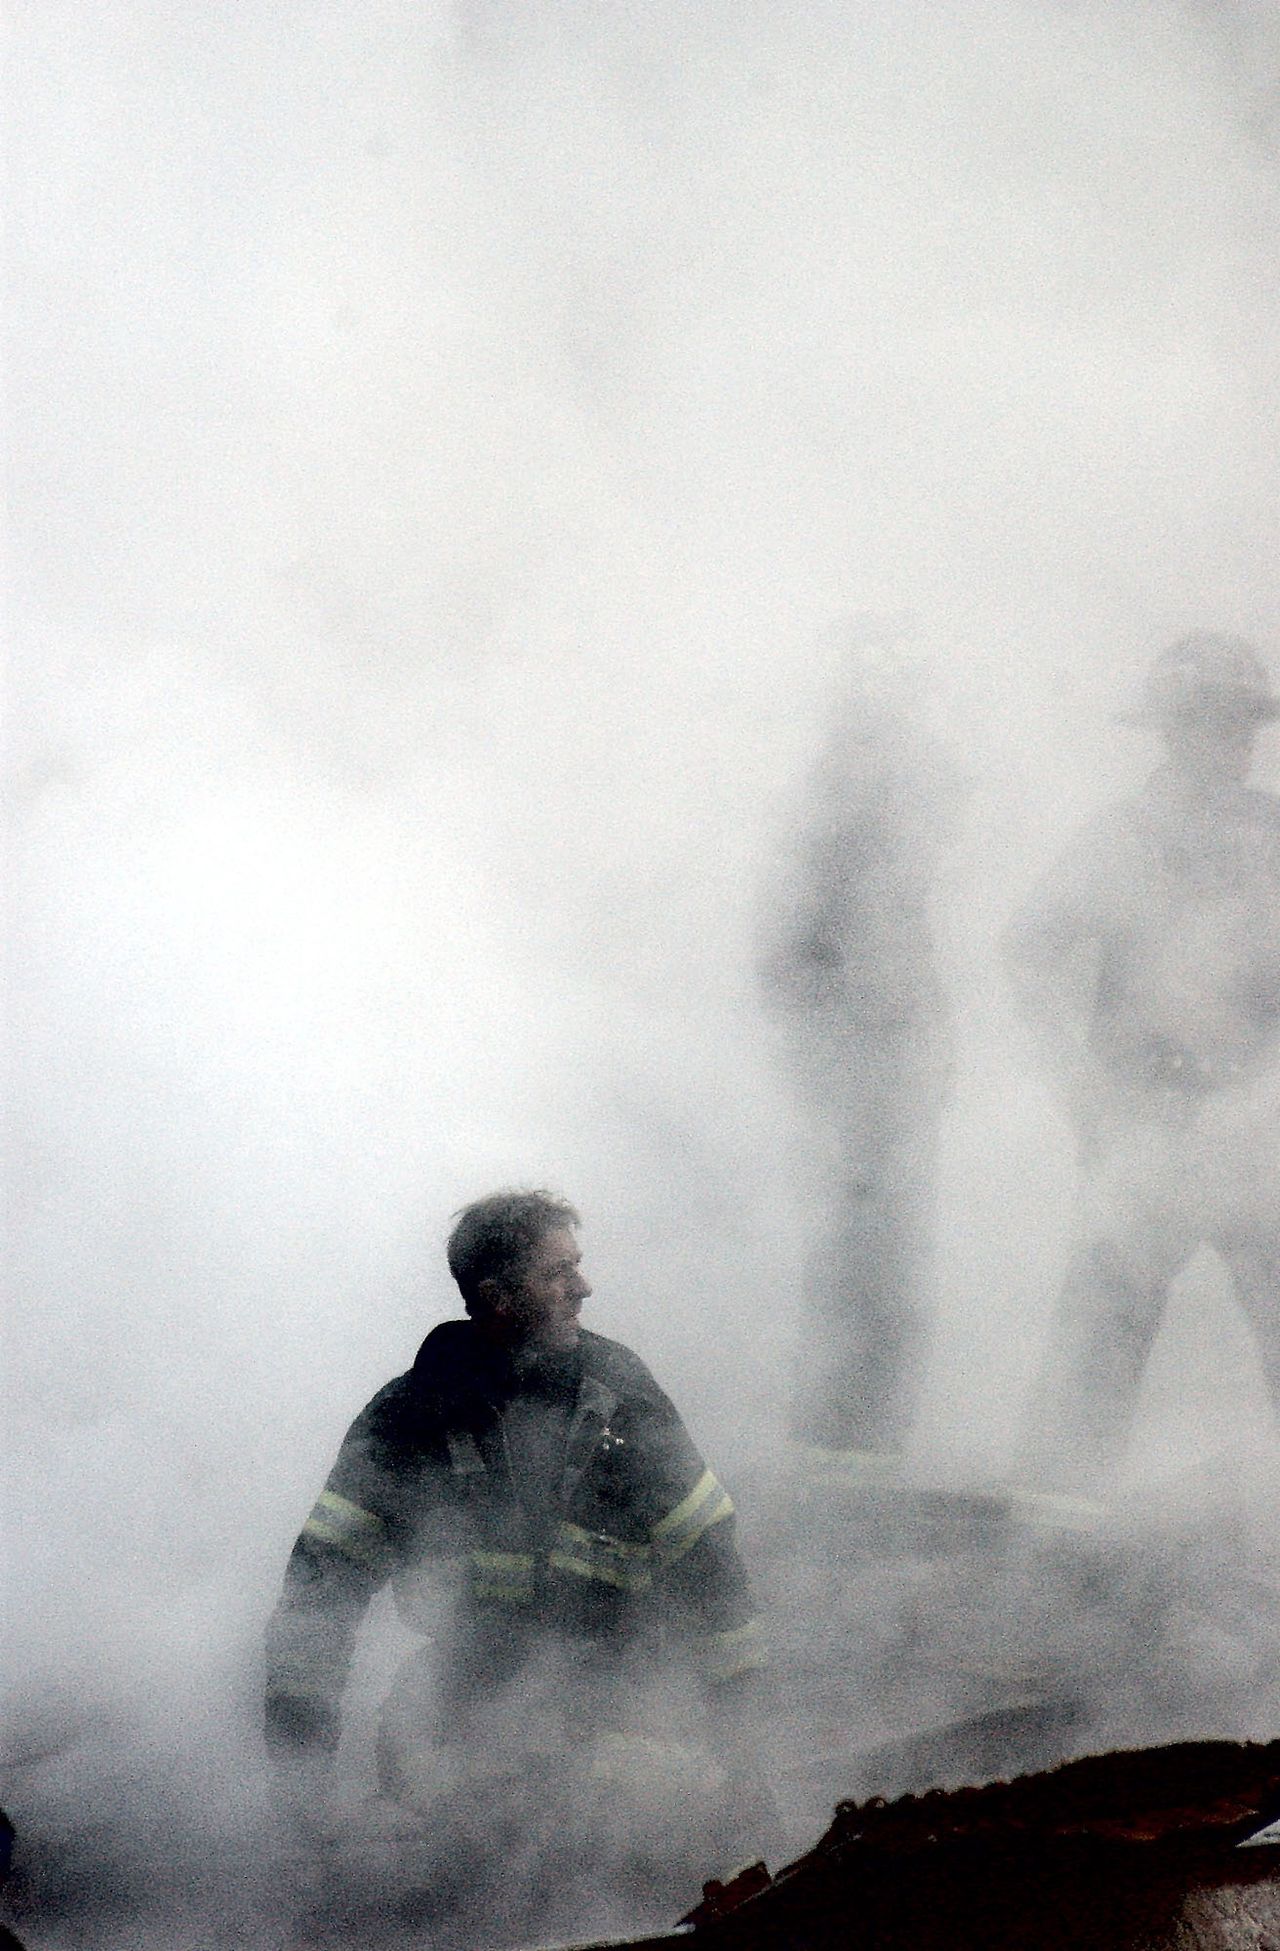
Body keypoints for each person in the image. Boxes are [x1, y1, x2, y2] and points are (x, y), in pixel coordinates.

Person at [265, 1190, 768, 1939]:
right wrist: (303, 1792)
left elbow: (712, 1569)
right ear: (496, 1297)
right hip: (456, 1717)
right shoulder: (413, 1415)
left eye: (579, 1267)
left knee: (641, 1862)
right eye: (558, 1272)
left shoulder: (620, 1397)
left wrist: (745, 1752)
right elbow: (318, 1600)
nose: (584, 1287)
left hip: (620, 1708)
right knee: (443, 1885)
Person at [1004, 632, 1280, 1496]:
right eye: (1216, 722)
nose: (1237, 743)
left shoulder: (1274, 834)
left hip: (1256, 1131)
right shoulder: (1120, 837)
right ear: (1173, 728)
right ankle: (1053, 1528)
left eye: (1245, 724)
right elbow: (1026, 948)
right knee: (1102, 1327)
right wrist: (1083, 1086)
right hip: (1143, 1128)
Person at [758, 625, 957, 1490]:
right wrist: (838, 1062)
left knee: (891, 1266)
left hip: (893, 1083)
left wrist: (929, 1044)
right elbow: (788, 969)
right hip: (857, 1085)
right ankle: (835, 1460)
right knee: (856, 1265)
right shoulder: (831, 825)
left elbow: (910, 960)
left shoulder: (891, 832)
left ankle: (867, 1453)